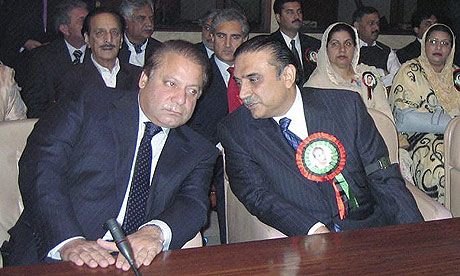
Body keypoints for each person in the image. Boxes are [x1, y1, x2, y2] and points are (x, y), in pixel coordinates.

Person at [1, 40, 218, 269]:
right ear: (144, 79)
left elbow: (193, 203)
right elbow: (40, 167)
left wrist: (155, 232)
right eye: (171, 83)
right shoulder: (87, 104)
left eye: (192, 91)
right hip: (55, 252)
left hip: (137, 262)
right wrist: (69, 241)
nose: (181, 99)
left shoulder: (198, 151)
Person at [218, 36, 423, 237]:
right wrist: (312, 229)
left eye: (253, 80)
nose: (243, 93)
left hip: (368, 229)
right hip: (305, 237)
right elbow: (257, 195)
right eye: (239, 82)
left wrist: (416, 234)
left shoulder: (345, 107)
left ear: (288, 75)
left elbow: (382, 175)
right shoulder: (236, 130)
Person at [187, 8, 249, 245]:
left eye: (235, 37)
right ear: (211, 37)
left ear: (244, 39)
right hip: (209, 156)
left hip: (247, 154)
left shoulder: (256, 74)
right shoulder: (199, 72)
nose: (227, 43)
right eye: (221, 36)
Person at [389, 24, 460, 205]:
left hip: (456, 138)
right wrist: (450, 123)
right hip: (418, 139)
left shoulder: (456, 74)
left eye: (445, 43)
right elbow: (404, 120)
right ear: (425, 44)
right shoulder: (410, 71)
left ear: (451, 48)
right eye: (433, 41)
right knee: (440, 170)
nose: (438, 47)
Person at [305, 22, 393, 120]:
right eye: (335, 44)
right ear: (326, 49)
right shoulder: (316, 84)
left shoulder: (368, 76)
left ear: (355, 48)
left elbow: (385, 118)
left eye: (348, 44)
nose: (342, 49)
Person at [20, 0, 90, 118]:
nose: (90, 25)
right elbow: (35, 104)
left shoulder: (100, 52)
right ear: (65, 29)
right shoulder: (42, 57)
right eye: (82, 21)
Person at [58, 9, 142, 98]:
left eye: (114, 32)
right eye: (100, 33)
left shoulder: (138, 76)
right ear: (87, 39)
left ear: (121, 40)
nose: (108, 39)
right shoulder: (72, 78)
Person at [269, 0, 321, 85]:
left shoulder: (315, 44)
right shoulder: (269, 45)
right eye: (290, 12)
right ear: (278, 17)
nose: (297, 16)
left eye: (299, 12)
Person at [353, 6, 401, 88]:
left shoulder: (386, 51)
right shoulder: (349, 49)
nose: (376, 28)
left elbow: (398, 78)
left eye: (378, 23)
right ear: (357, 26)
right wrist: (382, 72)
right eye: (371, 23)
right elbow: (351, 79)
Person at [118, 0, 162, 67]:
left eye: (151, 18)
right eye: (141, 18)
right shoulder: (115, 49)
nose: (149, 23)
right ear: (125, 21)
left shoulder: (160, 50)